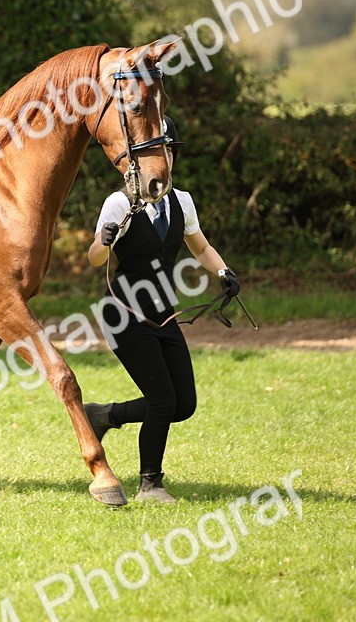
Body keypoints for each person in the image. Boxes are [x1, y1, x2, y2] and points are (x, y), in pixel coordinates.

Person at [84, 116, 240, 504]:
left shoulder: (181, 201)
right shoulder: (118, 203)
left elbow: (200, 247)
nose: (163, 155)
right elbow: (93, 259)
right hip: (124, 315)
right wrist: (104, 240)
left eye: (168, 149)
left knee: (183, 404)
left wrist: (223, 271)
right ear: (136, 159)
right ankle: (151, 485)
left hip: (163, 313)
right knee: (161, 401)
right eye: (156, 150)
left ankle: (105, 415)